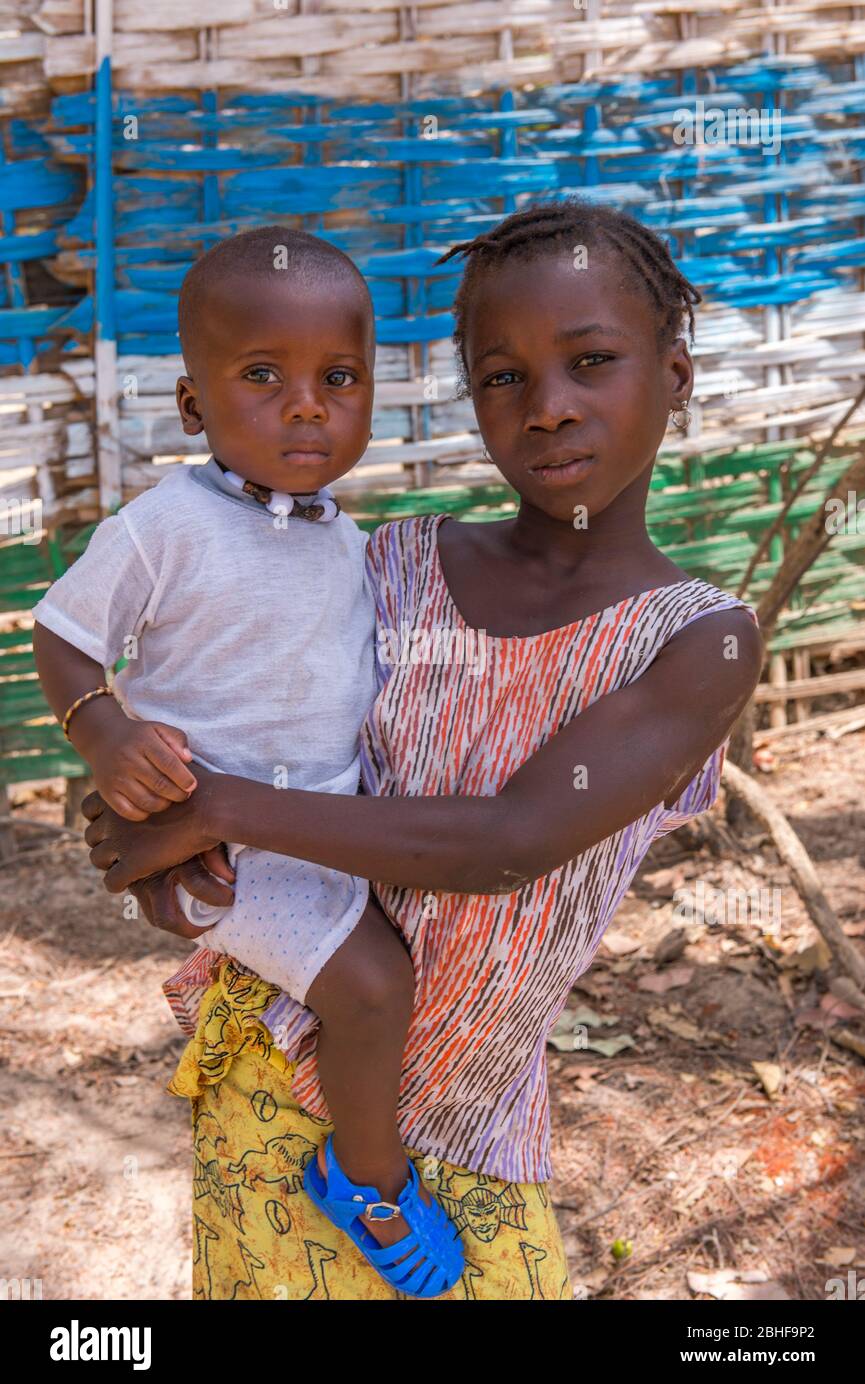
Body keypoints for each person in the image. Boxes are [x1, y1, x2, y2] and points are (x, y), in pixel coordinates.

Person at [82, 197, 764, 1301]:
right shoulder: (385, 564)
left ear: (675, 376)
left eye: (591, 361)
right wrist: (147, 823)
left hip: (462, 1129)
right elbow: (230, 729)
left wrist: (216, 809)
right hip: (271, 1067)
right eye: (503, 377)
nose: (547, 409)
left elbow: (506, 840)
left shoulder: (693, 639)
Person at [31, 225, 464, 1298]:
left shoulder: (348, 543)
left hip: (318, 825)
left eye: (339, 378)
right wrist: (103, 730)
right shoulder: (166, 523)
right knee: (372, 986)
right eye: (262, 376)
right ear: (193, 408)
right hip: (222, 833)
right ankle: (364, 1177)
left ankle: (209, 944)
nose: (306, 405)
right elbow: (61, 630)